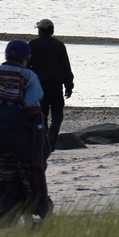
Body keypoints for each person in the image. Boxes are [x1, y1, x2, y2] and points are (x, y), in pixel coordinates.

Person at [0, 39, 49, 229]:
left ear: (6, 56)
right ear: (26, 59)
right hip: (16, 136)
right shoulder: (28, 76)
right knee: (24, 174)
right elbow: (31, 107)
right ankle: (29, 219)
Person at [28, 18, 74, 147]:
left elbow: (27, 65)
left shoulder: (32, 45)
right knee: (57, 114)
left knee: (42, 115)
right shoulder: (59, 45)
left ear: (40, 31)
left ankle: (45, 139)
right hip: (56, 86)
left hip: (39, 87)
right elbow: (66, 67)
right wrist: (69, 86)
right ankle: (52, 135)